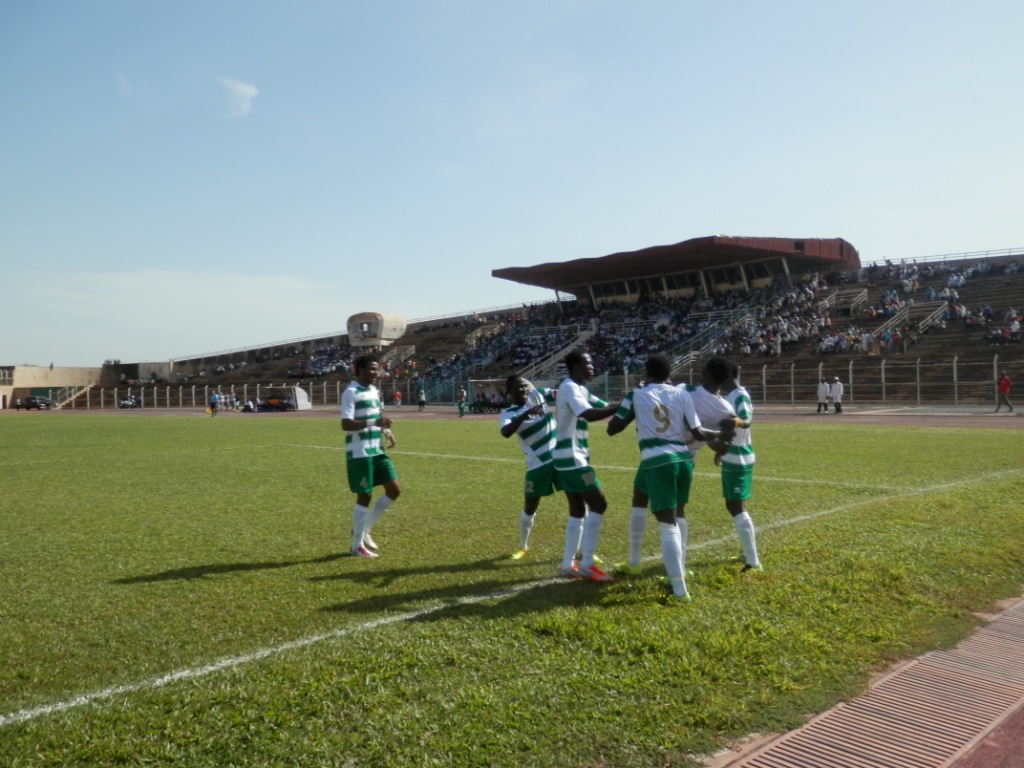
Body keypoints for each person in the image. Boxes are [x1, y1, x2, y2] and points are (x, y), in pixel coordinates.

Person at [607, 354, 717, 601]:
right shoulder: (682, 394)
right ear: (670, 374)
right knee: (648, 502)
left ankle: (679, 588)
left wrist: (631, 406)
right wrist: (721, 434)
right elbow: (699, 432)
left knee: (668, 526)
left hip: (658, 461)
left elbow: (613, 429)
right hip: (682, 460)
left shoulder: (636, 395)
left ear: (646, 374)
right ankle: (634, 562)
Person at [553, 350, 619, 582]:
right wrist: (622, 405)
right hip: (572, 458)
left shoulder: (581, 389)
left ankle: (567, 564)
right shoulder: (569, 387)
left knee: (578, 510)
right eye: (587, 363)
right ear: (575, 367)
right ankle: (587, 564)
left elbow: (607, 407)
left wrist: (630, 401)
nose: (592, 366)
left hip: (566, 458)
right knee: (599, 503)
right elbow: (589, 414)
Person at [340, 354, 401, 558]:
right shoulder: (350, 392)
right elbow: (346, 424)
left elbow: (376, 418)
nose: (376, 373)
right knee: (365, 495)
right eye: (371, 369)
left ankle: (364, 528)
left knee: (394, 490)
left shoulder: (374, 390)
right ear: (359, 370)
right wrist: (373, 423)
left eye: (377, 369)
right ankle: (356, 546)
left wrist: (385, 430)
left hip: (377, 449)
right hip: (360, 451)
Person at [499, 376, 560, 559]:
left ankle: (585, 549)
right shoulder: (508, 413)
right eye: (518, 387)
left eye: (525, 386)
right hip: (537, 465)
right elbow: (506, 432)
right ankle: (523, 546)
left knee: (578, 501)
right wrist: (526, 414)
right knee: (530, 507)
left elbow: (560, 393)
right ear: (509, 392)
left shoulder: (538, 395)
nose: (524, 390)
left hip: (560, 459)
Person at [717, 360, 763, 573]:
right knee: (731, 505)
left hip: (739, 457)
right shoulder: (730, 396)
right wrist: (720, 450)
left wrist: (734, 422)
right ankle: (747, 553)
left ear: (728, 375)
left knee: (736, 507)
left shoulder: (740, 395)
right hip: (731, 455)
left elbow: (746, 420)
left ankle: (753, 562)